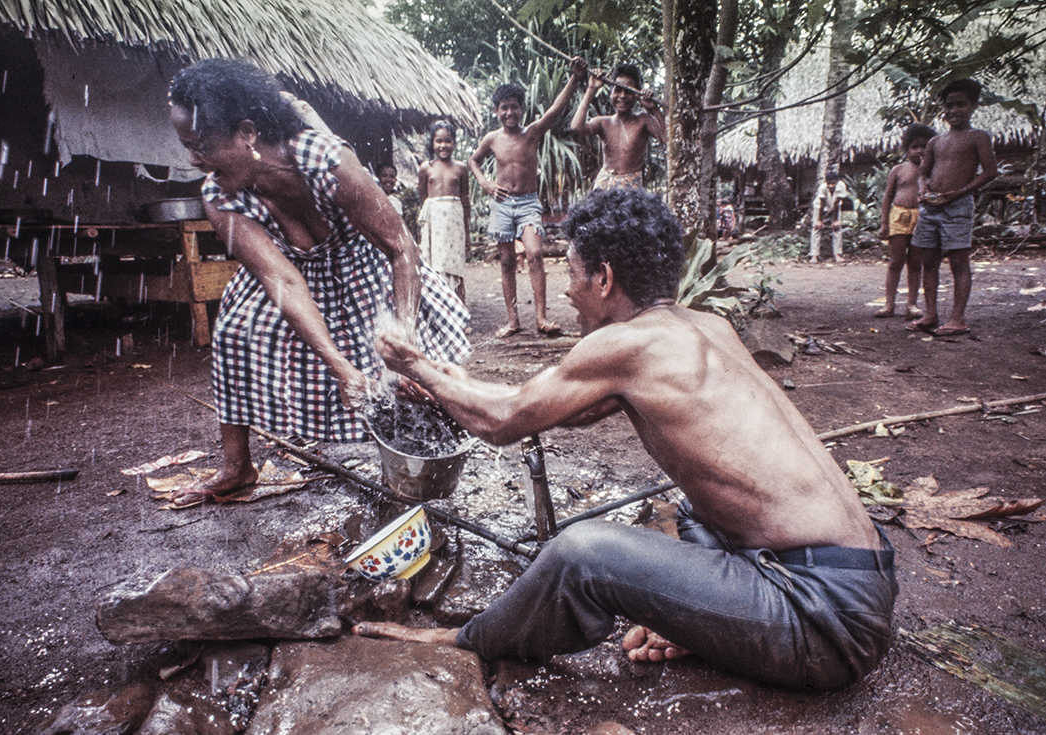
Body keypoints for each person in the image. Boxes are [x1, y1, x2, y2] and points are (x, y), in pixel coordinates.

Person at [357, 188, 897, 691]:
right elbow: (547, 407)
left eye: (569, 272)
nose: (567, 290)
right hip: (860, 581)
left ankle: (465, 640)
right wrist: (443, 385)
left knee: (583, 551)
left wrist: (417, 366)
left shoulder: (626, 345)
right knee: (691, 510)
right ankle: (706, 623)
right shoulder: (705, 326)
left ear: (605, 278)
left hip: (825, 622)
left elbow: (502, 422)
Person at [166, 58, 470, 505]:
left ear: (247, 132)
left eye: (202, 145)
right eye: (187, 146)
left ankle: (437, 453)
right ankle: (237, 467)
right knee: (232, 332)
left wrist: (402, 341)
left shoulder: (326, 160)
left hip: (364, 264)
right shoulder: (218, 195)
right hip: (293, 273)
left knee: (414, 367)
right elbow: (282, 281)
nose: (194, 160)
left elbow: (402, 248)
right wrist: (341, 368)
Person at [469, 56, 587, 339]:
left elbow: (555, 111)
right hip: (501, 205)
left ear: (522, 109)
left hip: (528, 204)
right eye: (504, 107)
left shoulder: (532, 133)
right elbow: (473, 161)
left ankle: (542, 317)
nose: (510, 112)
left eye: (514, 107)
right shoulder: (491, 139)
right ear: (496, 110)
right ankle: (513, 320)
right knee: (507, 260)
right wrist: (485, 183)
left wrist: (574, 78)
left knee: (534, 253)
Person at [908, 78, 998, 336]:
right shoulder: (936, 142)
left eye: (961, 104)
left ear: (973, 106)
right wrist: (924, 190)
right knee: (929, 261)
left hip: (957, 206)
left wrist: (959, 192)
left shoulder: (978, 137)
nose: (954, 110)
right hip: (931, 207)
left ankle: (957, 319)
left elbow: (990, 172)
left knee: (958, 261)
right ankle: (930, 314)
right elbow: (923, 172)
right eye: (949, 105)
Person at [568, 63, 664, 190]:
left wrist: (654, 110)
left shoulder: (643, 120)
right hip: (604, 184)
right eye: (618, 90)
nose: (622, 96)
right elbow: (576, 128)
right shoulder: (603, 122)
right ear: (611, 92)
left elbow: (667, 139)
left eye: (628, 91)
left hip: (631, 187)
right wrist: (591, 89)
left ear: (637, 95)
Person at [875, 124, 936, 319]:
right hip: (899, 217)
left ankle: (911, 304)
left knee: (915, 263)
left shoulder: (931, 170)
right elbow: (887, 197)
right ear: (907, 149)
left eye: (923, 146)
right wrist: (884, 223)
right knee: (895, 262)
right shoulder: (898, 169)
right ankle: (889, 304)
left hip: (921, 217)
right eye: (914, 147)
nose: (919, 151)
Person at [417, 120, 470, 303]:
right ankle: (437, 310)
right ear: (432, 143)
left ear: (454, 142)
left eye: (448, 141)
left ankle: (459, 311)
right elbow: (423, 198)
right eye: (439, 141)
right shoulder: (426, 168)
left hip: (454, 222)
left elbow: (465, 199)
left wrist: (467, 233)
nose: (443, 145)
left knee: (454, 266)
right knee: (434, 265)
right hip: (434, 222)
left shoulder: (461, 168)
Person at [809, 170, 853, 264]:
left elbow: (837, 203)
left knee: (837, 228)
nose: (830, 186)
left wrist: (835, 220)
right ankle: (814, 255)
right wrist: (819, 220)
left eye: (833, 183)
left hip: (835, 206)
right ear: (826, 182)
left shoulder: (841, 186)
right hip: (820, 207)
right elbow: (821, 204)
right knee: (816, 228)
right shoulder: (822, 187)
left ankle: (837, 254)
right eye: (829, 183)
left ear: (837, 182)